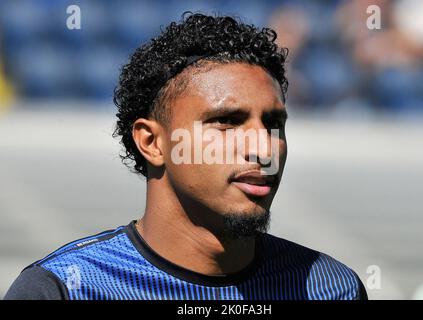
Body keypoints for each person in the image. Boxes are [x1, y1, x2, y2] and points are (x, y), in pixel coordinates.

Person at [5, 13, 367, 300]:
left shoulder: (331, 288)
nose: (264, 147)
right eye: (227, 121)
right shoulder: (65, 289)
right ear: (152, 142)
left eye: (273, 123)